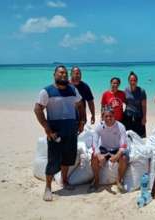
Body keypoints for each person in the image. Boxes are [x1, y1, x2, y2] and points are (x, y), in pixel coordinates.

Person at [34, 65, 85, 201]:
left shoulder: (73, 90)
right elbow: (38, 109)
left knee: (68, 158)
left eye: (65, 73)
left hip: (71, 130)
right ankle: (48, 187)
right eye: (60, 73)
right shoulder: (47, 91)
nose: (63, 75)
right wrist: (47, 128)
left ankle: (64, 181)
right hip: (55, 132)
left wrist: (82, 121)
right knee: (53, 159)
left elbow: (80, 105)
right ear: (54, 74)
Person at [89, 106, 129, 193]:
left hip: (116, 149)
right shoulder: (99, 126)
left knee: (124, 158)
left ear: (114, 116)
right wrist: (99, 155)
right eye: (106, 116)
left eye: (110, 116)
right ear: (103, 117)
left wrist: (117, 155)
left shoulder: (120, 126)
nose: (108, 118)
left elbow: (123, 144)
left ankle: (119, 180)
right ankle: (96, 180)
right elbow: (94, 143)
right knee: (94, 157)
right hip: (104, 149)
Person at [123, 71, 147, 137]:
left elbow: (144, 106)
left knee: (140, 137)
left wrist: (144, 117)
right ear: (128, 81)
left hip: (138, 117)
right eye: (131, 80)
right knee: (128, 136)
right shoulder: (126, 90)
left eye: (134, 80)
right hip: (127, 117)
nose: (133, 82)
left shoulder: (141, 91)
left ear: (137, 81)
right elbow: (124, 101)